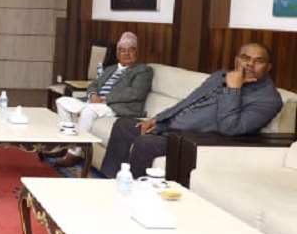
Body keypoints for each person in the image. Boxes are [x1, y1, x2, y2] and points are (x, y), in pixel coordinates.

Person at [99, 42, 283, 178]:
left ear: (268, 67)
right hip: (171, 128)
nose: (250, 64)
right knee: (124, 125)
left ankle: (134, 194)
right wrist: (157, 119)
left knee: (145, 143)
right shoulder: (220, 75)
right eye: (245, 58)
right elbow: (188, 101)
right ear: (237, 60)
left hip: (194, 140)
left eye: (259, 61)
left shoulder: (268, 100)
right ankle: (110, 180)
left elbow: (230, 128)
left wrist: (233, 89)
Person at [54, 32, 153, 167]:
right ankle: (67, 144)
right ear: (117, 54)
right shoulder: (110, 69)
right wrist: (93, 95)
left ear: (137, 53)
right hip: (96, 103)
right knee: (62, 101)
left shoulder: (143, 70)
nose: (126, 54)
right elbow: (94, 84)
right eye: (122, 50)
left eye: (131, 50)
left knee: (88, 110)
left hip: (116, 107)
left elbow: (136, 93)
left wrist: (105, 99)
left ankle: (74, 153)